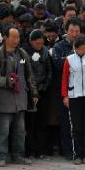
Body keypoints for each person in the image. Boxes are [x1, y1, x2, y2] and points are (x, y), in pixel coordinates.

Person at [0, 25, 39, 167]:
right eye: (13, 37)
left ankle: (18, 155)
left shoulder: (22, 54)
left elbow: (29, 76)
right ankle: (1, 156)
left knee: (20, 130)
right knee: (3, 130)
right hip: (3, 98)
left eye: (18, 37)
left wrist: (34, 93)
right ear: (5, 38)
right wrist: (6, 81)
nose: (16, 40)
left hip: (20, 98)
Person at [62, 36, 85, 165]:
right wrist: (65, 96)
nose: (83, 51)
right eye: (80, 49)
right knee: (76, 127)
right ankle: (77, 154)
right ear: (75, 48)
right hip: (74, 96)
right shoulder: (69, 60)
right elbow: (65, 79)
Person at [51, 18, 82, 159]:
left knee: (80, 121)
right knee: (66, 121)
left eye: (77, 31)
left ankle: (80, 149)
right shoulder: (59, 46)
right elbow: (58, 64)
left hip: (82, 89)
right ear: (66, 30)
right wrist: (75, 59)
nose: (74, 34)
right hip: (65, 90)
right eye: (71, 31)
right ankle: (67, 150)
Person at [22, 29, 53, 158]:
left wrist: (45, 85)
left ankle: (40, 150)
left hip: (43, 91)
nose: (39, 46)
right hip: (29, 92)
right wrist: (32, 87)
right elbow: (24, 72)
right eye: (37, 44)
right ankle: (28, 149)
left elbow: (50, 70)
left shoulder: (46, 51)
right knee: (30, 123)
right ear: (31, 41)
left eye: (41, 43)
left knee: (42, 122)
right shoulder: (24, 52)